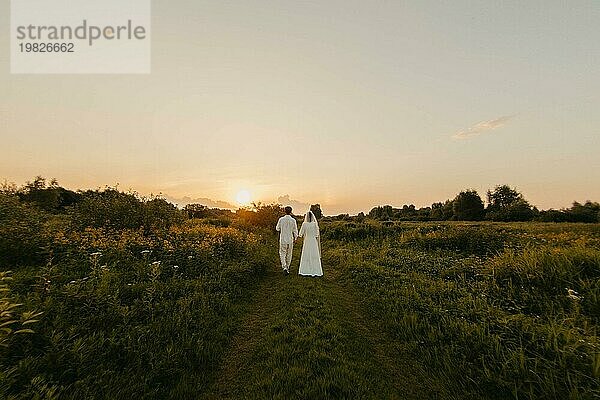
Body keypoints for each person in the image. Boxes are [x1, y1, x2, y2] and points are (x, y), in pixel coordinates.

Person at [298, 211, 323, 277]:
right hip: (313, 241)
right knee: (314, 254)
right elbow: (317, 234)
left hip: (307, 240)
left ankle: (305, 270)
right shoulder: (315, 224)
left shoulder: (304, 224)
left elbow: (300, 234)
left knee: (306, 254)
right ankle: (316, 270)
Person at [275, 206, 298, 275]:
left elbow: (277, 229)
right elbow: (295, 230)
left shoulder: (281, 219)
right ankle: (287, 267)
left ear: (284, 211)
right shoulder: (293, 220)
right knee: (289, 254)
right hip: (290, 239)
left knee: (282, 253)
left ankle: (284, 267)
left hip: (283, 239)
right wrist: (296, 238)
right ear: (291, 211)